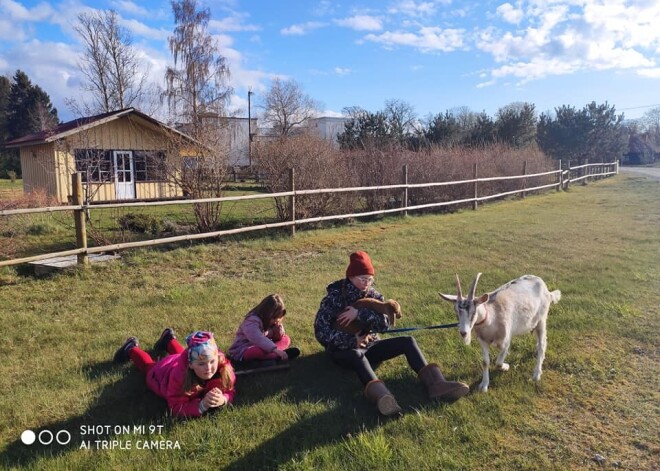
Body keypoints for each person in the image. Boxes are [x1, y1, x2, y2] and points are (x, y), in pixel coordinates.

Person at [314, 250, 469, 416]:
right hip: (343, 351)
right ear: (350, 277)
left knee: (407, 341)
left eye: (370, 279)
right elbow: (320, 331)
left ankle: (437, 384)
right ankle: (383, 398)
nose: (367, 283)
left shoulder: (373, 294)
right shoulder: (334, 297)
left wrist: (359, 314)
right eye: (362, 279)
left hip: (371, 345)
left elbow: (385, 324)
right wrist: (351, 340)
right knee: (356, 355)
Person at [113, 329, 235, 418]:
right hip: (162, 374)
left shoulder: (222, 367)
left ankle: (168, 339)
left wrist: (223, 399)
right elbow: (176, 407)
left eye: (212, 361)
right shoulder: (179, 378)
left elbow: (229, 388)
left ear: (217, 357)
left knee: (180, 353)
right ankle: (131, 349)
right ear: (190, 365)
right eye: (201, 364)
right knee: (149, 367)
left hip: (179, 359)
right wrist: (201, 406)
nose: (208, 368)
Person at [228, 294, 301, 364]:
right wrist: (275, 349)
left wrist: (278, 330)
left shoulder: (270, 321)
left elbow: (277, 336)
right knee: (255, 352)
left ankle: (271, 357)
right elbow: (258, 338)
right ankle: (278, 355)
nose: (276, 320)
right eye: (274, 318)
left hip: (266, 346)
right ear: (268, 314)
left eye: (278, 318)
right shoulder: (251, 321)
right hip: (244, 349)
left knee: (286, 339)